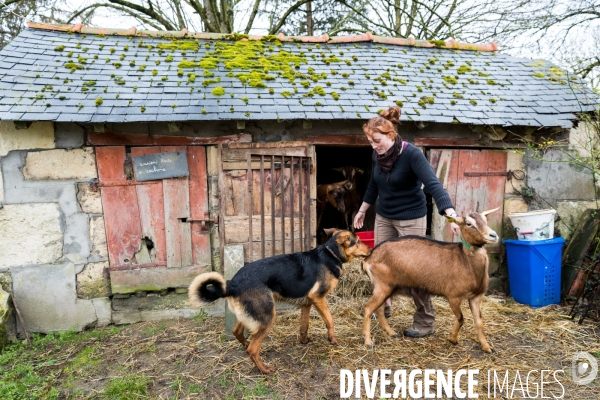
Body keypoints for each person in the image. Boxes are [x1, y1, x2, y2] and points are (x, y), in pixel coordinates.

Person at [354, 105, 460, 339]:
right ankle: (383, 305)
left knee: (416, 273)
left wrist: (450, 214)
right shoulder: (376, 154)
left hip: (411, 219)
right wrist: (362, 210)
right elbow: (374, 184)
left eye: (377, 141)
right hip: (384, 216)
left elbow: (434, 185)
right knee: (380, 264)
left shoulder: (412, 154)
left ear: (391, 135)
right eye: (370, 142)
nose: (374, 146)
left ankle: (425, 320)